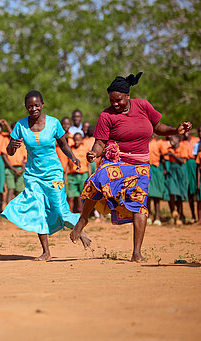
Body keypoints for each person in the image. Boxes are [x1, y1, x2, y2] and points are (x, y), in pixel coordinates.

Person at [70, 72, 192, 262]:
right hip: (117, 161)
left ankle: (136, 253)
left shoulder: (143, 106)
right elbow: (100, 143)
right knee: (97, 179)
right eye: (112, 101)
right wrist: (95, 153)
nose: (115, 104)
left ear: (128, 96)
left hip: (141, 166)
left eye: (118, 100)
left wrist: (176, 130)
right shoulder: (106, 115)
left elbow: (158, 127)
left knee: (140, 206)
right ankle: (82, 220)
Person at [1, 91, 87, 261]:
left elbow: (63, 144)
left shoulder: (54, 123)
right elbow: (9, 152)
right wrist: (13, 145)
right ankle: (46, 252)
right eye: (30, 106)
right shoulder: (20, 125)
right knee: (39, 210)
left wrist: (73, 158)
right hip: (33, 175)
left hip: (54, 173)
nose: (34, 109)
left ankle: (79, 228)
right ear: (26, 107)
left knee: (60, 209)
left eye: (37, 105)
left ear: (42, 105)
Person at [163, 135, 189, 225]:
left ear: (178, 139)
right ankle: (173, 213)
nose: (171, 139)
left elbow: (182, 161)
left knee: (179, 195)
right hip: (172, 171)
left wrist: (172, 154)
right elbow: (164, 158)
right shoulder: (169, 148)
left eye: (173, 138)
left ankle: (180, 215)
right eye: (170, 139)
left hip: (180, 171)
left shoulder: (183, 147)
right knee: (171, 191)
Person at [66, 132, 91, 213]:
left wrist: (89, 176)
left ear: (81, 140)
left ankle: (81, 214)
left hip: (83, 175)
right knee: (71, 196)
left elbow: (89, 164)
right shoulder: (70, 149)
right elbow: (67, 164)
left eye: (78, 140)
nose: (76, 142)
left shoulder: (85, 149)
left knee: (82, 196)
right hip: (72, 175)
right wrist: (65, 175)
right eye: (75, 140)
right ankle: (70, 214)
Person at [2, 125, 27, 205]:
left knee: (19, 191)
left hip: (20, 169)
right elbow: (4, 155)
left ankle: (17, 210)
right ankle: (8, 210)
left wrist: (22, 169)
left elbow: (24, 158)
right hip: (10, 169)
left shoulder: (23, 144)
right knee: (11, 189)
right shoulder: (6, 140)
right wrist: (13, 169)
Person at [180, 131, 200, 222]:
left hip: (195, 164)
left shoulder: (196, 140)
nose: (186, 133)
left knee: (197, 189)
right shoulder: (181, 143)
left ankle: (199, 217)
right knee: (189, 192)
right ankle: (193, 215)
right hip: (186, 165)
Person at [147, 134, 167, 225]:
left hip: (156, 169)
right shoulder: (144, 142)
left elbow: (164, 156)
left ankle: (157, 216)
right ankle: (148, 215)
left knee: (156, 194)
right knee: (147, 194)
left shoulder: (159, 143)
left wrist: (165, 169)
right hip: (146, 169)